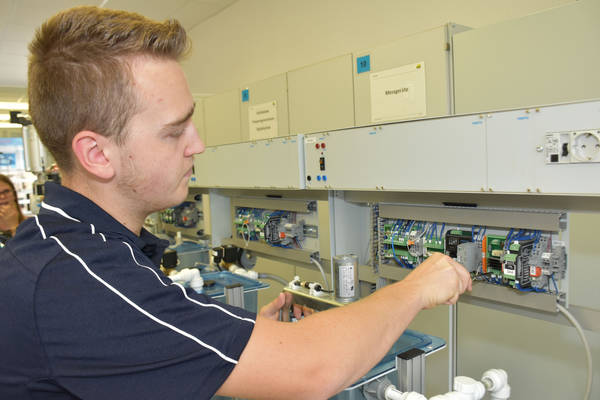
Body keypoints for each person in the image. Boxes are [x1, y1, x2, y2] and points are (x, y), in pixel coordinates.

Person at [0, 6, 471, 400]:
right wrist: (414, 288)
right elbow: (314, 369)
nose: (197, 144)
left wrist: (232, 346)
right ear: (97, 154)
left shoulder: (73, 247)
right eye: (174, 132)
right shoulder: (74, 280)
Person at [0, 174, 26, 242]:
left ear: (14, 195)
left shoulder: (32, 224)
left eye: (6, 191)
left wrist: (14, 227)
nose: (2, 196)